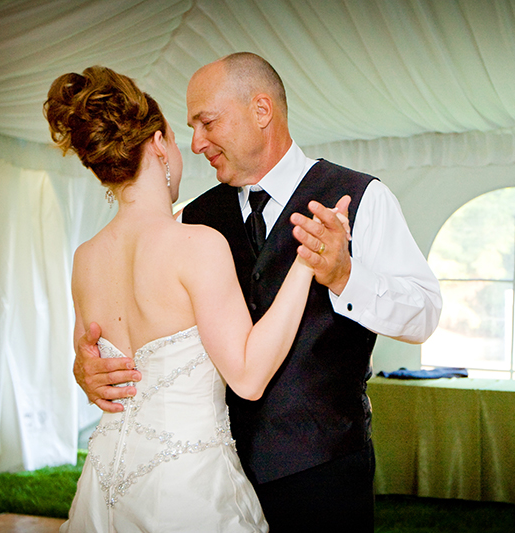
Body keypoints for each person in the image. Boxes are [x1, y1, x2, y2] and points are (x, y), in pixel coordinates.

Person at [75, 53, 442, 531]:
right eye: (189, 127)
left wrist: (344, 276)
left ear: (261, 110)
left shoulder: (361, 198)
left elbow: (424, 315)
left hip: (323, 471)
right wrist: (89, 369)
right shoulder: (191, 217)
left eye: (207, 123)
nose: (197, 142)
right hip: (209, 476)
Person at [47, 65, 322, 532]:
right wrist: (306, 263)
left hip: (104, 485)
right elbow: (249, 377)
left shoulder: (85, 258)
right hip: (186, 489)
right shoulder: (196, 244)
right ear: (158, 142)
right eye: (178, 138)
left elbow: (91, 365)